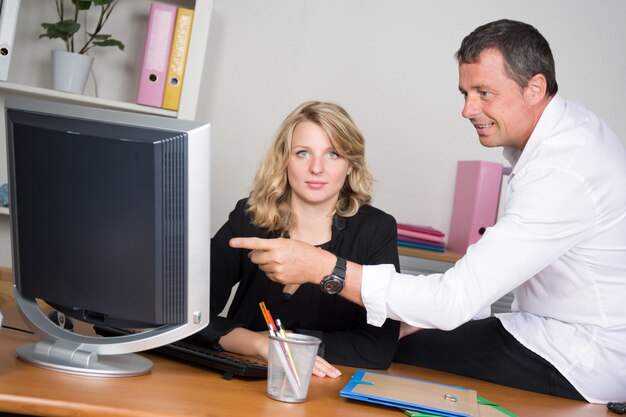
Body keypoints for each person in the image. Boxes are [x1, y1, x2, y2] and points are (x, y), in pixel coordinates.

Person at [229, 19, 626, 403]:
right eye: (464, 93)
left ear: (535, 87)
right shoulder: (569, 135)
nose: (467, 110)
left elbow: (451, 302)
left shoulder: (562, 171)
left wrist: (323, 268)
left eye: (484, 93)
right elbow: (494, 276)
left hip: (581, 356)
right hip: (542, 325)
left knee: (400, 355)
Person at [188, 101, 400, 378]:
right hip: (243, 378)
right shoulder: (248, 217)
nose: (316, 168)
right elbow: (187, 313)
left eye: (333, 155)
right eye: (302, 153)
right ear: (284, 159)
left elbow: (377, 348)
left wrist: (287, 343)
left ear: (350, 165)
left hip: (327, 389)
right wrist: (258, 344)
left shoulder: (375, 229)